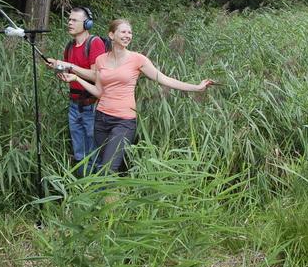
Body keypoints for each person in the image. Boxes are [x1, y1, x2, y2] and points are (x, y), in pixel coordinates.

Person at [59, 18, 215, 175]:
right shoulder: (101, 60)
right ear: (111, 35)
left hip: (123, 122)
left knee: (108, 169)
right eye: (123, 32)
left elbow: (164, 79)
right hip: (101, 119)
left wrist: (196, 87)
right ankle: (119, 195)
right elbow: (100, 91)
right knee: (111, 166)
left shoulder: (137, 59)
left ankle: (106, 197)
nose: (128, 35)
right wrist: (76, 79)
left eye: (130, 32)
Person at [47, 7, 106, 176]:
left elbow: (96, 76)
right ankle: (84, 188)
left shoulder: (94, 43)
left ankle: (100, 190)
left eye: (74, 20)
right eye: (69, 20)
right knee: (79, 153)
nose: (70, 23)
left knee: (95, 152)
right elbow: (70, 74)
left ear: (87, 24)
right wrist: (57, 67)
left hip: (92, 106)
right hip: (74, 105)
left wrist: (69, 66)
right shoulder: (70, 46)